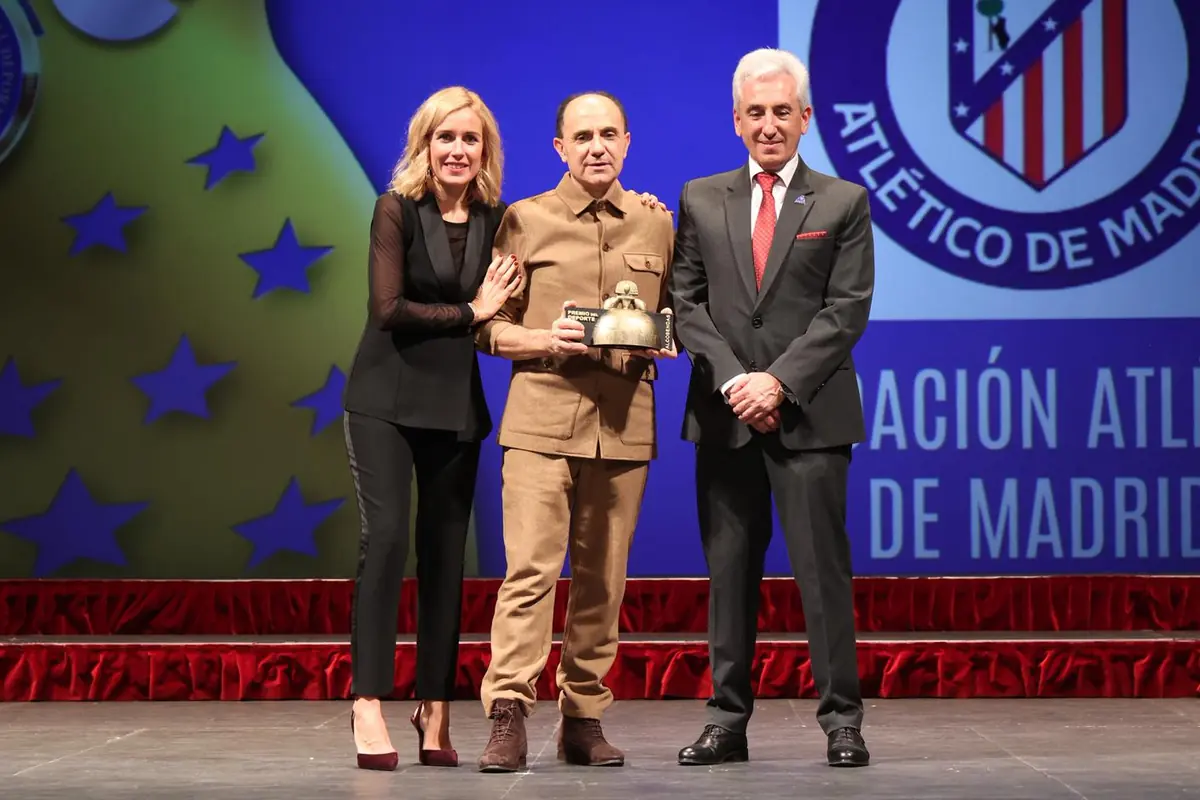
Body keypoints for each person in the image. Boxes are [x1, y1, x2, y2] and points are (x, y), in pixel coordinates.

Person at [668, 48, 874, 768]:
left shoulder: (843, 202)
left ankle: (842, 721)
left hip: (810, 418)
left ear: (805, 118)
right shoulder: (700, 198)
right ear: (736, 121)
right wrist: (734, 381)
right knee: (728, 577)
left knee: (823, 574)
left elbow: (845, 313)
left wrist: (777, 384)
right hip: (726, 417)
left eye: (781, 112)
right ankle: (727, 721)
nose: (769, 125)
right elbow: (684, 305)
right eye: (755, 113)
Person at [472, 90, 675, 773]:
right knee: (529, 572)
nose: (597, 146)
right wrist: (539, 338)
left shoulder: (655, 224)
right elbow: (486, 327)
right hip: (539, 420)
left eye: (609, 133)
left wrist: (667, 340)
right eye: (582, 135)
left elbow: (674, 312)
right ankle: (508, 713)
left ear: (627, 142)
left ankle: (583, 717)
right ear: (559, 147)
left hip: (622, 426)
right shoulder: (523, 221)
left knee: (603, 581)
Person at [341, 86, 521, 771]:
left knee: (447, 559)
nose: (457, 150)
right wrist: (474, 311)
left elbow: (559, 240)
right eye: (445, 138)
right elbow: (389, 308)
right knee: (385, 541)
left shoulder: (499, 218)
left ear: (485, 150)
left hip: (454, 407)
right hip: (383, 399)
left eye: (470, 139)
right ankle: (367, 702)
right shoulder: (396, 211)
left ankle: (435, 706)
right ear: (424, 145)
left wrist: (643, 210)